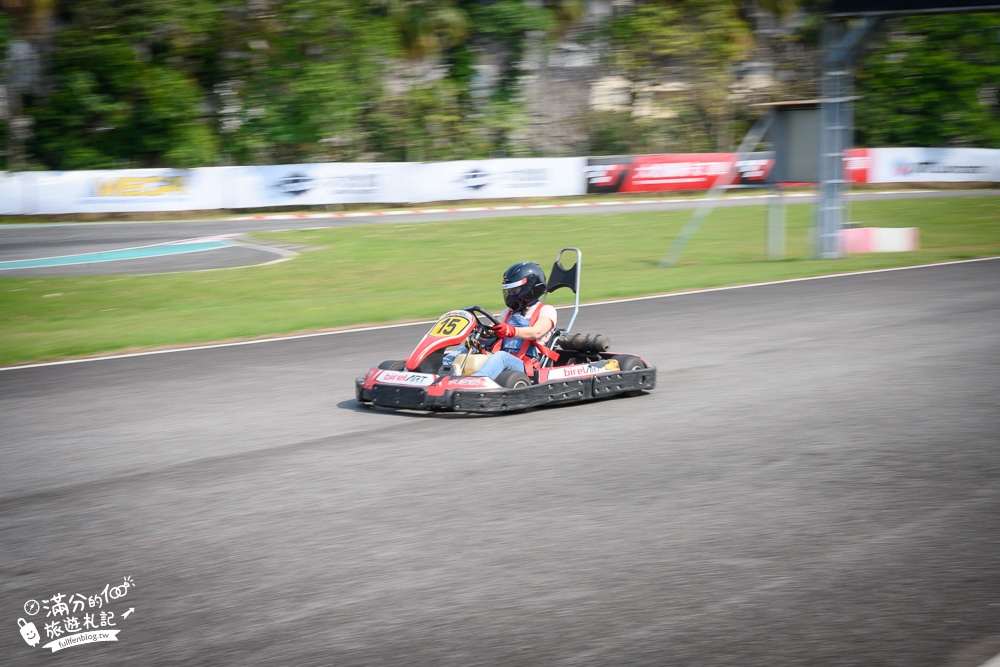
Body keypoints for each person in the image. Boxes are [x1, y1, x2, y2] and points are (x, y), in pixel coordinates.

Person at [442, 261, 558, 380]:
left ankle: (475, 382)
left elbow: (536, 332)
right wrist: (479, 334)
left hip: (526, 363)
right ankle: (438, 376)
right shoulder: (508, 312)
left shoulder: (546, 310)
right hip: (500, 357)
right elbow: (492, 329)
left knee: (501, 356)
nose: (511, 296)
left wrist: (511, 330)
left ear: (529, 289)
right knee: (464, 350)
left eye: (514, 292)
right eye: (509, 292)